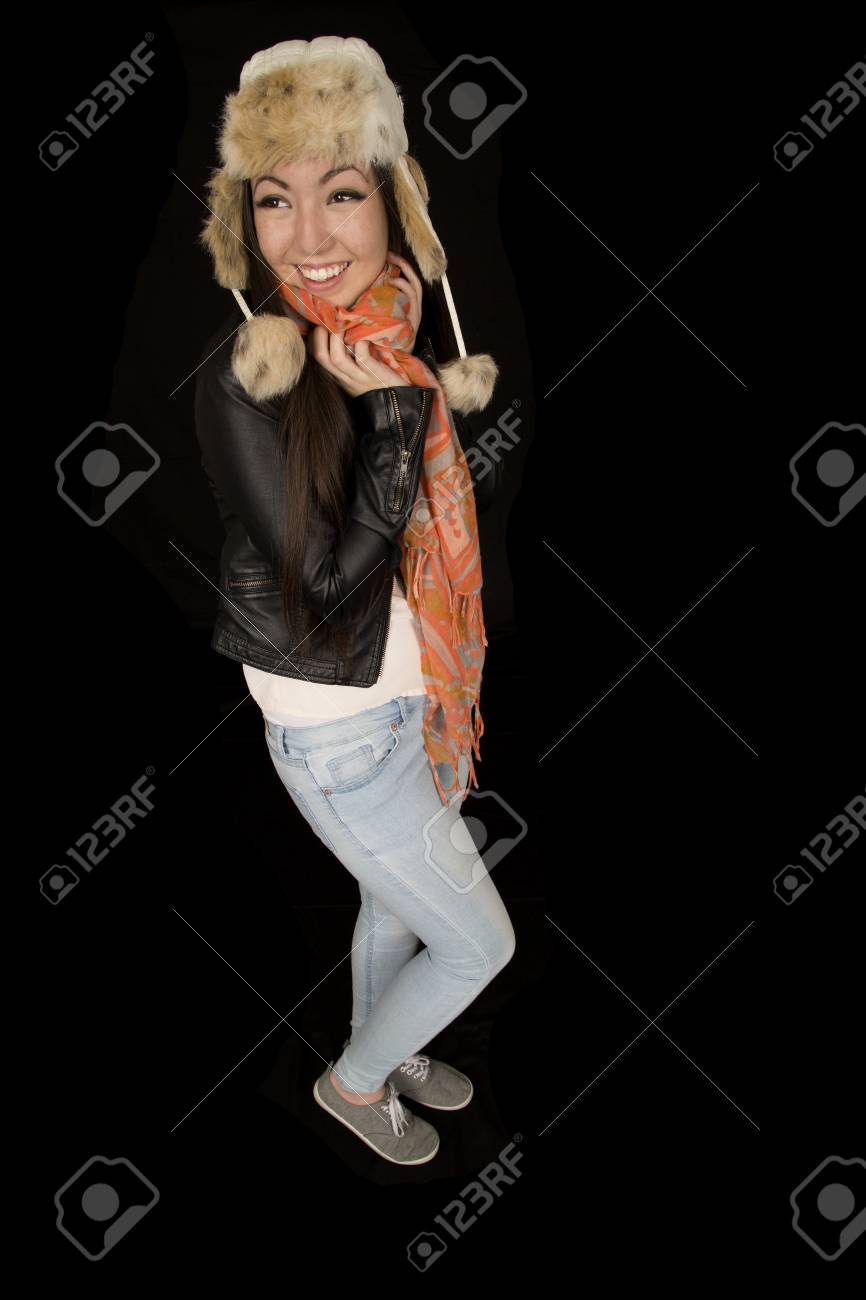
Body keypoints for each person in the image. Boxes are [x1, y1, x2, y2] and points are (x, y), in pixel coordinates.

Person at [194, 35, 515, 1166]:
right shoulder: (253, 375)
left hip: (411, 689)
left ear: (393, 203)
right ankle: (355, 1082)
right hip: (340, 725)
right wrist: (393, 425)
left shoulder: (381, 337)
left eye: (340, 193)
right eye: (274, 201)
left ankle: (392, 1038)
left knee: (391, 904)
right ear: (244, 220)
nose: (310, 238)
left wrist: (395, 393)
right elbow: (327, 593)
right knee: (477, 946)